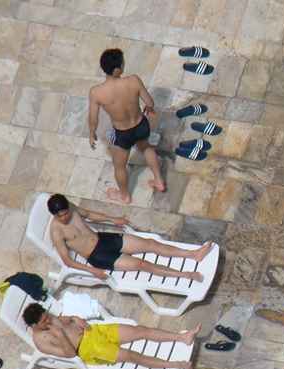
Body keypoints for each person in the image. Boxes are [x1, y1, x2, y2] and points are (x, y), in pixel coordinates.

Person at [46, 193, 213, 281]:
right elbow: (67, 261)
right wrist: (93, 270)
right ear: (54, 215)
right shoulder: (57, 232)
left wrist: (113, 219)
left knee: (150, 243)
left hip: (103, 238)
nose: (65, 216)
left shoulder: (72, 208)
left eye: (66, 212)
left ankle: (194, 254)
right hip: (98, 256)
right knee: (141, 264)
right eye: (60, 215)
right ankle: (185, 275)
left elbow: (89, 214)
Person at [22, 303, 199, 369]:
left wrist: (76, 319)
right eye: (44, 321)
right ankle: (177, 365)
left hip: (94, 331)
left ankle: (182, 337)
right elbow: (70, 355)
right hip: (88, 348)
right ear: (34, 326)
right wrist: (60, 335)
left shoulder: (49, 318)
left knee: (140, 330)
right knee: (130, 356)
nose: (48, 321)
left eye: (47, 316)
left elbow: (66, 319)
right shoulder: (41, 342)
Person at [89, 48, 165, 204]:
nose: (124, 65)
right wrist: (149, 108)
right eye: (123, 63)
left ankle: (124, 195)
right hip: (140, 124)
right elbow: (150, 102)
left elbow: (93, 118)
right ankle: (159, 180)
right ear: (118, 69)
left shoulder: (96, 92)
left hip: (122, 133)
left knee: (119, 166)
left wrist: (92, 133)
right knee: (146, 148)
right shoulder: (133, 80)